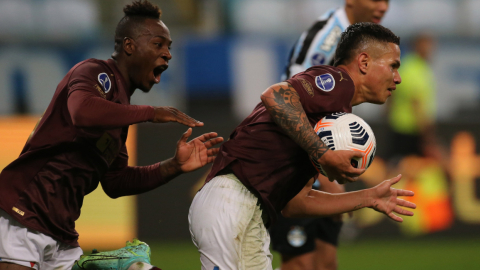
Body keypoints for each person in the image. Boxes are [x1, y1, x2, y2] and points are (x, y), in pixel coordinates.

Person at [0, 1, 223, 270]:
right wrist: (152, 112)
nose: (167, 54)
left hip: (60, 232)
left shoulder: (119, 110)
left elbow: (116, 182)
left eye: (169, 47)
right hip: (24, 211)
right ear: (129, 46)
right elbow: (82, 111)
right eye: (158, 44)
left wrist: (173, 166)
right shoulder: (94, 71)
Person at [189, 23, 416, 270]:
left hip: (252, 211)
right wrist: (323, 154)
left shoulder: (330, 118)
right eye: (393, 66)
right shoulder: (338, 82)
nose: (398, 77)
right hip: (232, 200)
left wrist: (367, 197)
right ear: (363, 62)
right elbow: (274, 95)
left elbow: (296, 204)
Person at [275, 1, 390, 269]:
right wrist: (325, 177)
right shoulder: (327, 38)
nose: (383, 7)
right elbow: (289, 98)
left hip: (321, 160)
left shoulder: (356, 37)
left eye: (387, 0)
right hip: (295, 161)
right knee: (300, 264)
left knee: (327, 264)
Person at [388, 33, 438, 160]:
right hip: (410, 130)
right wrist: (427, 135)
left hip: (400, 127)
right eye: (426, 44)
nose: (430, 49)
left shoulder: (408, 65)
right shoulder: (414, 68)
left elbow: (391, 96)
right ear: (417, 46)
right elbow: (416, 103)